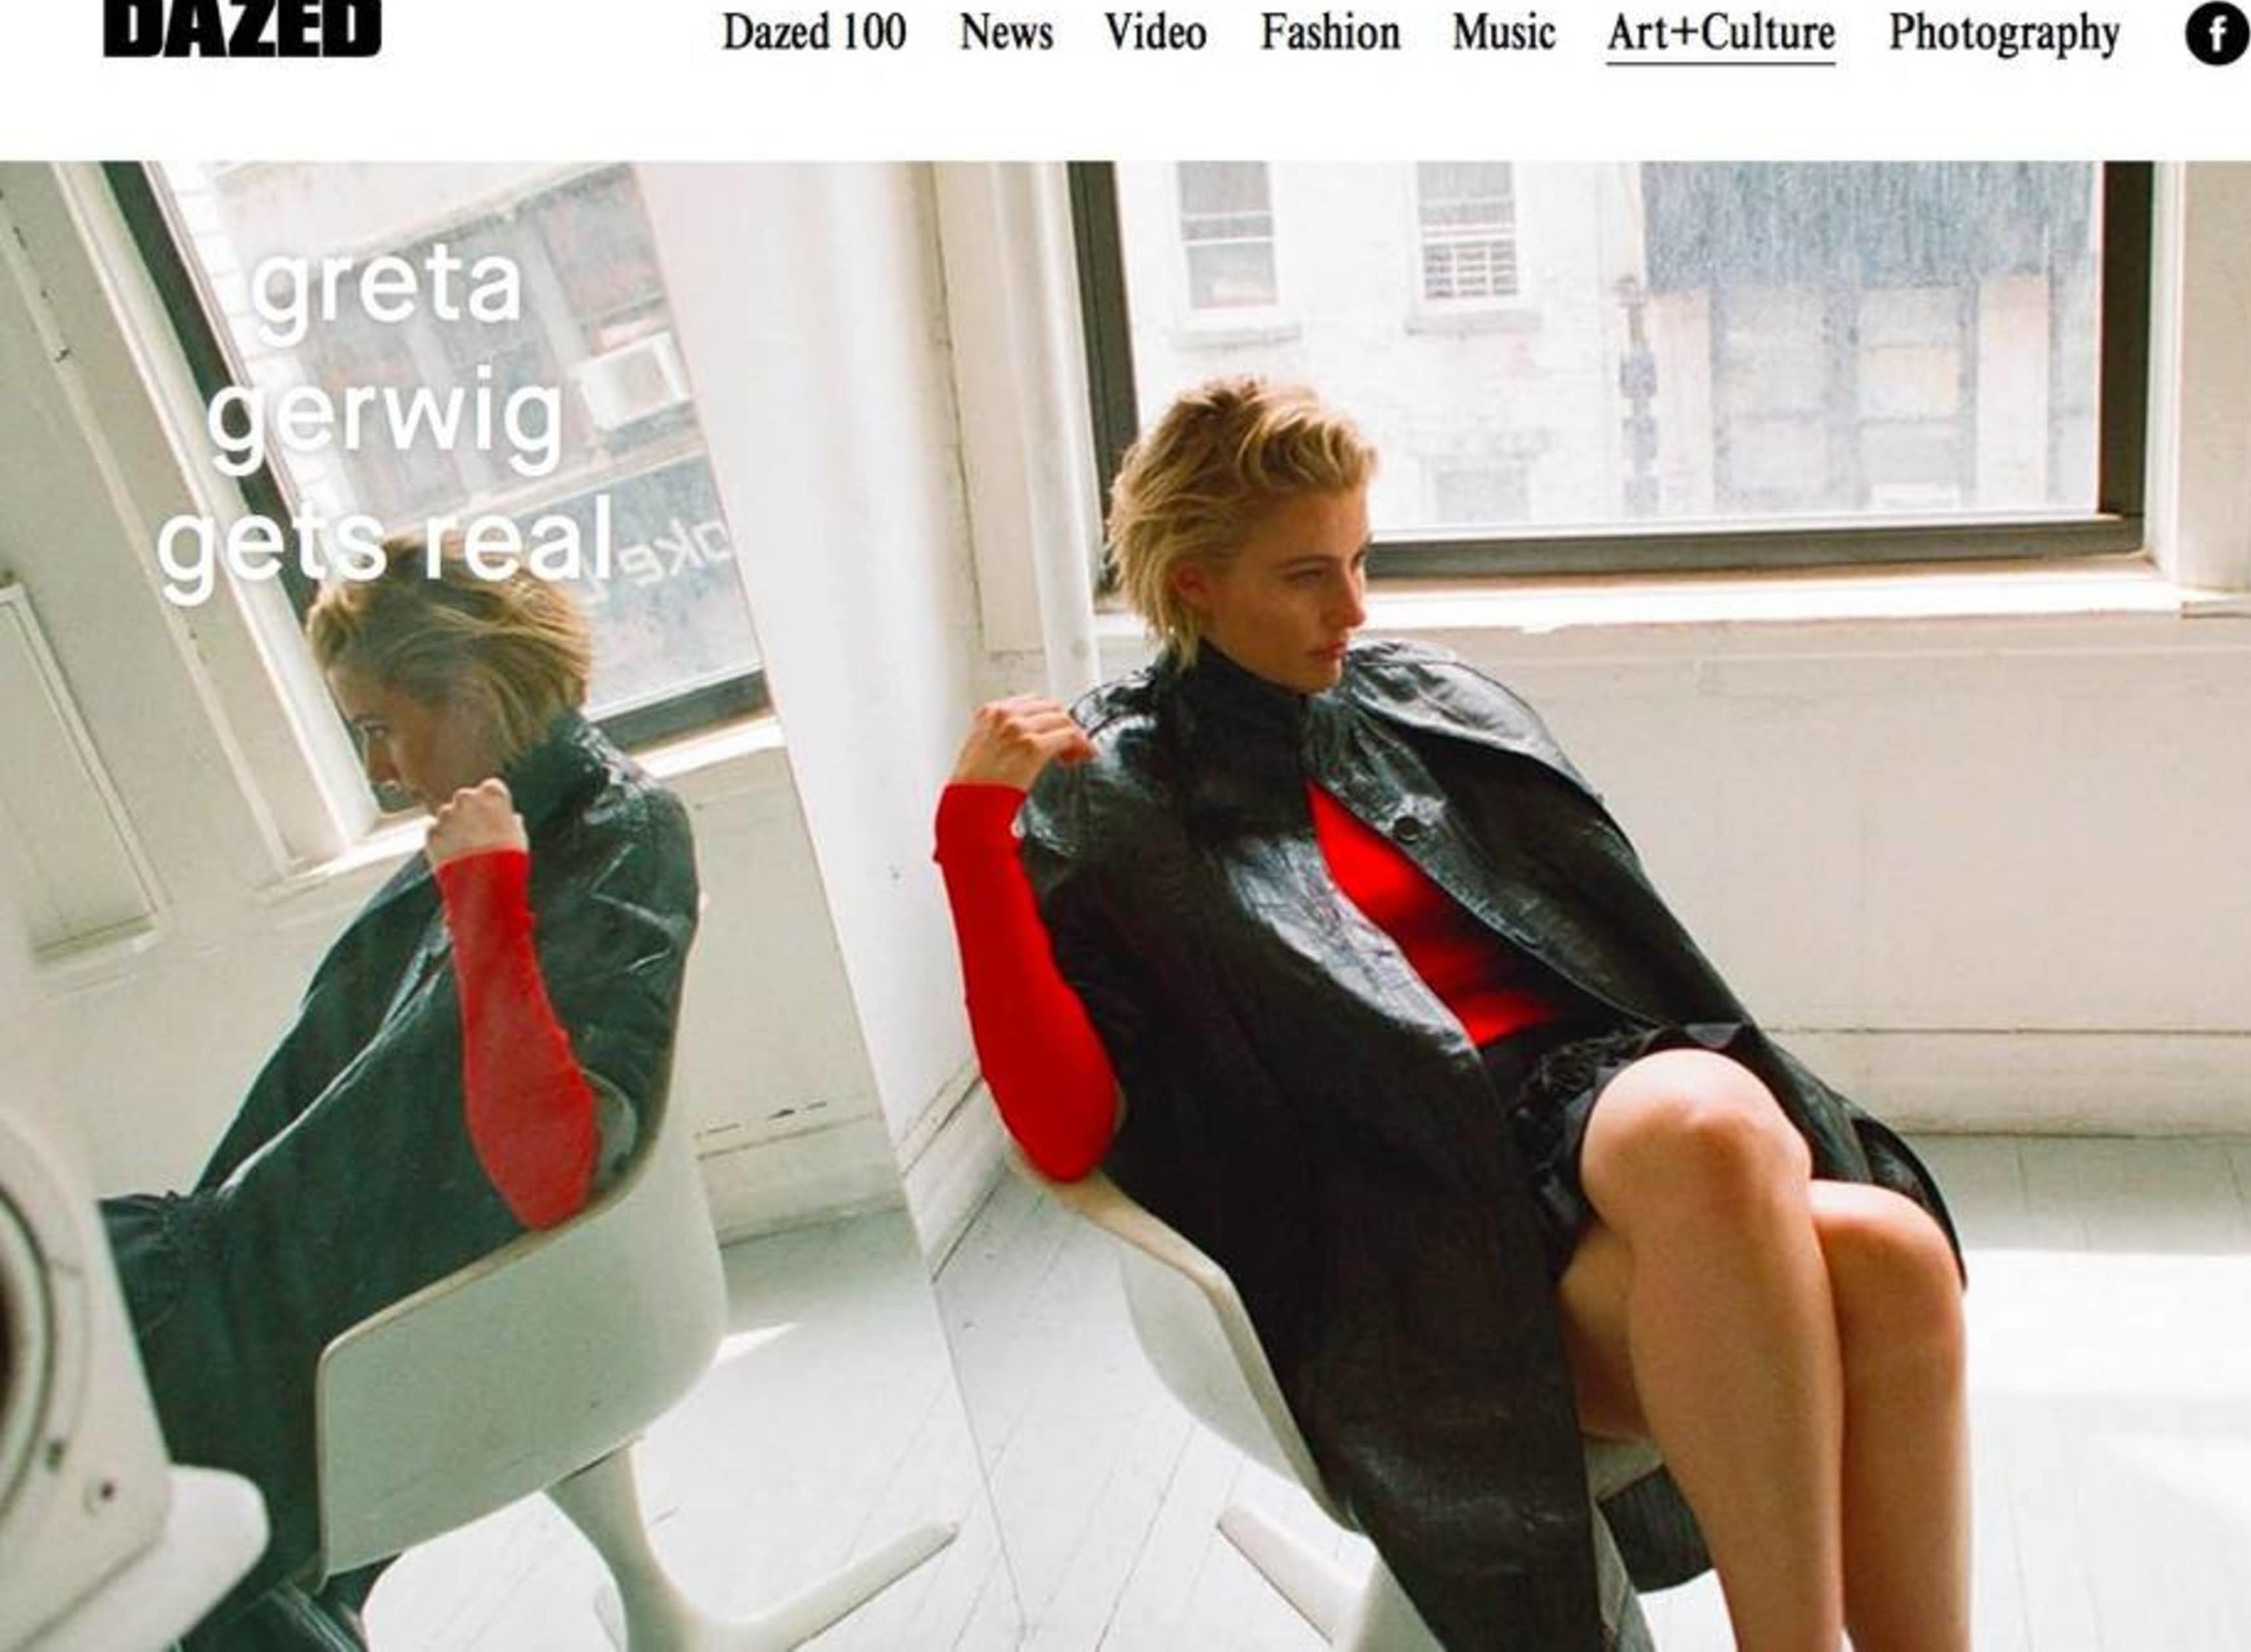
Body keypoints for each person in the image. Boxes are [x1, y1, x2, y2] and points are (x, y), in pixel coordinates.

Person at [935, 377, 1969, 1651]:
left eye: (1361, 560)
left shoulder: (1416, 700)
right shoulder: (1113, 788)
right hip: (1412, 1242)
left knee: (1887, 1249)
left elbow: (1608, 948)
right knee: (1733, 1145)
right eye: (1306, 575)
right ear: (1193, 581)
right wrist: (974, 841)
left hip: (1595, 1133)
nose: (1354, 608)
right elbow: (1064, 1130)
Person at [106, 531, 700, 1648]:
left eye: (381, 726)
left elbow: (552, 1171)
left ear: (470, 692)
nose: (380, 770)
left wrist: (483, 891)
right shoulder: (516, 822)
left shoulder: (611, 832)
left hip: (369, 1322)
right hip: (266, 1283)